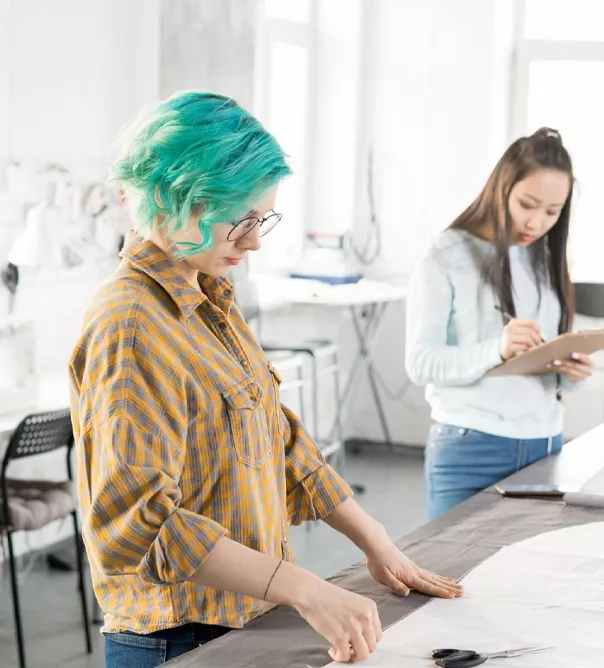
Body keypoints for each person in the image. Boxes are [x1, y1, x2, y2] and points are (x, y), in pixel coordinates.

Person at [69, 91, 462, 667]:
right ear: (180, 198)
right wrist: (304, 588)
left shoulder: (211, 300)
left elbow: (277, 440)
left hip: (241, 620)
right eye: (241, 220)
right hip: (176, 639)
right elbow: (139, 525)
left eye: (262, 219)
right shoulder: (131, 324)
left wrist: (375, 539)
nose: (254, 242)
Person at [405, 128, 594, 520]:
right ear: (502, 187)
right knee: (450, 575)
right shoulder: (448, 252)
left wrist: (572, 372)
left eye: (552, 212)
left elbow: (547, 362)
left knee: (526, 578)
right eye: (528, 204)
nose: (537, 222)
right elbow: (421, 362)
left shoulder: (545, 257)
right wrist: (497, 349)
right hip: (470, 447)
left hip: (545, 445)